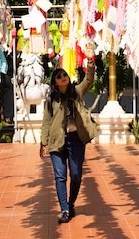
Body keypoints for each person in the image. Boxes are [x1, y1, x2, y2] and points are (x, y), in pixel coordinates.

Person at [40, 43, 97, 223]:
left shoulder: (76, 92)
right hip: (57, 141)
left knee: (76, 174)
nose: (63, 76)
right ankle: (64, 209)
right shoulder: (51, 99)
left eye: (64, 74)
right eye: (59, 75)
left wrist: (90, 59)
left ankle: (71, 203)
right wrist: (43, 142)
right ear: (55, 81)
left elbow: (88, 80)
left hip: (76, 139)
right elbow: (46, 121)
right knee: (60, 176)